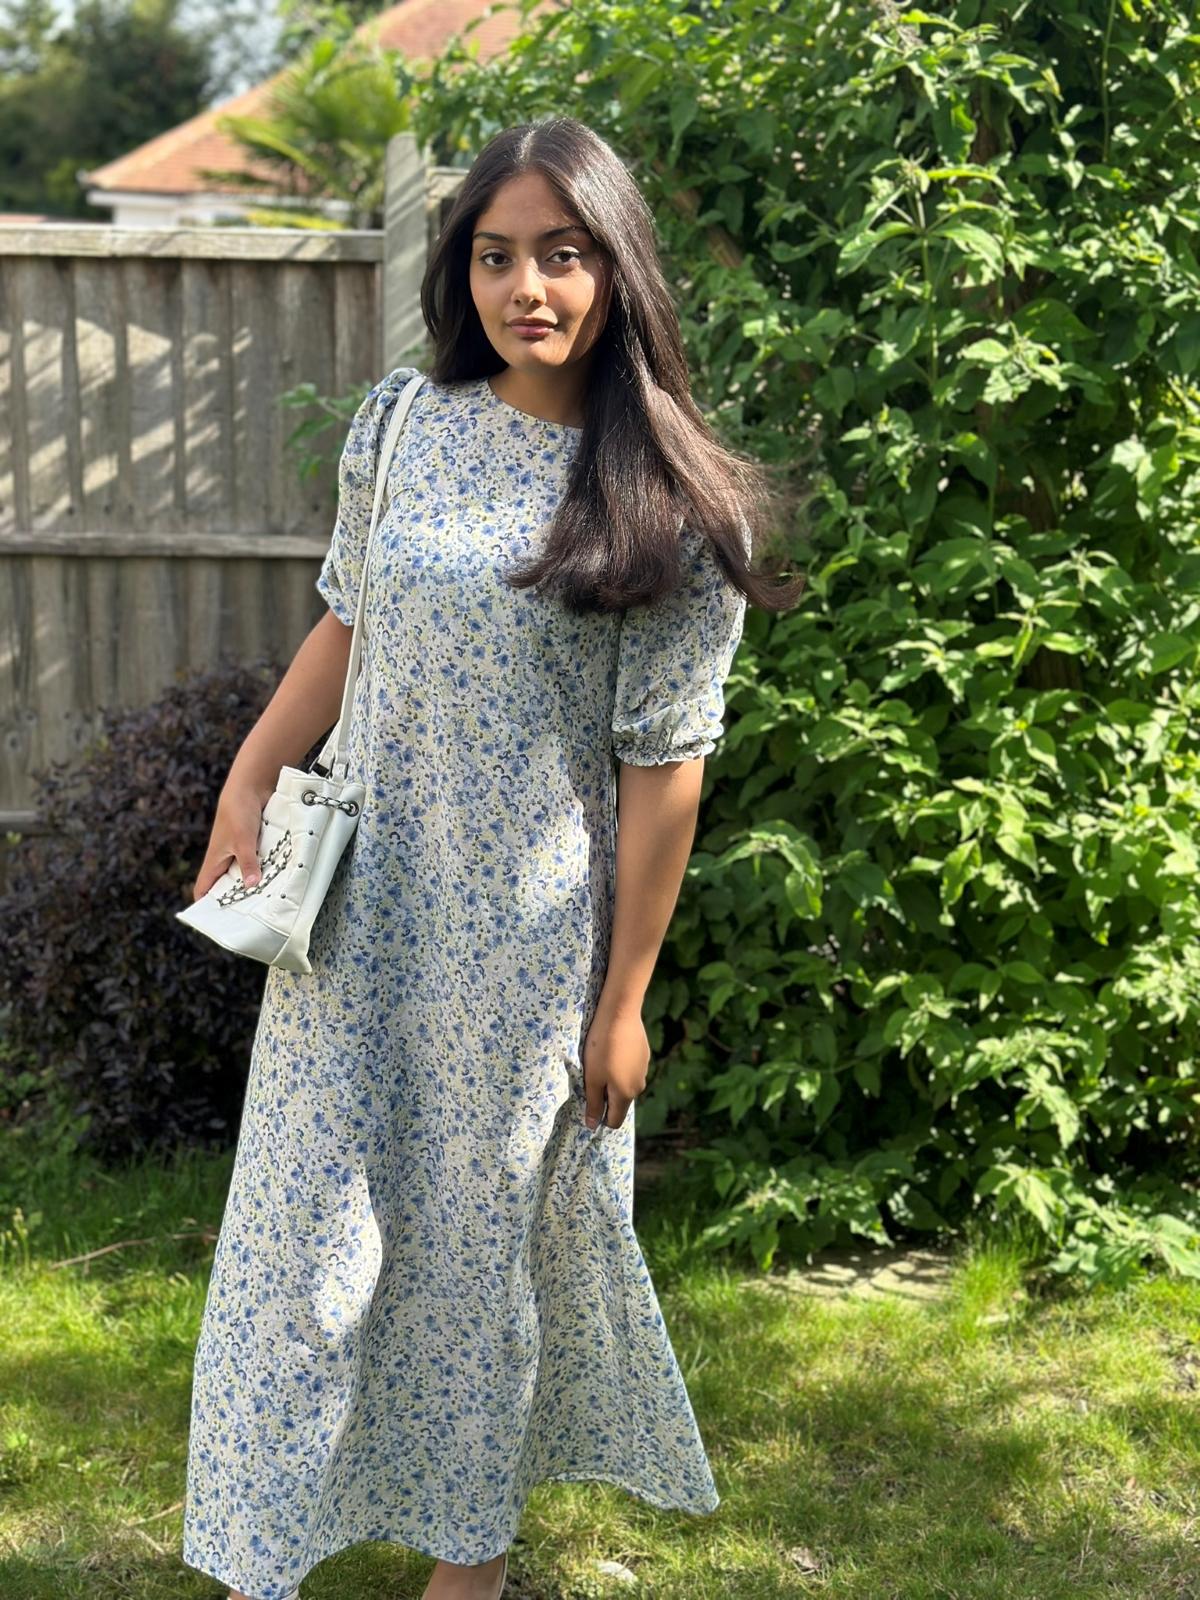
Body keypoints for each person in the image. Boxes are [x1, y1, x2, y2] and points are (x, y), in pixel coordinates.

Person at [180, 116, 799, 1600]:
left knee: (477, 1269)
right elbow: (348, 618)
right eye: (498, 255)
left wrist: (625, 997)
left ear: (615, 270)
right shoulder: (401, 421)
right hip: (359, 919)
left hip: (526, 954)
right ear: (463, 273)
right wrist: (253, 771)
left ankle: (473, 1565)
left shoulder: (662, 501)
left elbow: (668, 776)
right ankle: (263, 1548)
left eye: (564, 255)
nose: (530, 286)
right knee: (296, 1255)